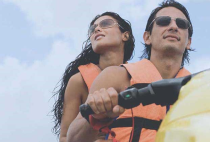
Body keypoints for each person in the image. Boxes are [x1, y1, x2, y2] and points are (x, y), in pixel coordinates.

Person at [67, 0, 193, 142]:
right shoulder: (115, 76)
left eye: (182, 24)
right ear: (147, 37)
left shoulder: (198, 89)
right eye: (163, 21)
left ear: (189, 42)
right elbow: (72, 139)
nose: (173, 27)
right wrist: (95, 117)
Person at [51, 12, 135, 142]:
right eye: (92, 29)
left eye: (106, 24)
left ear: (125, 35)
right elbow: (64, 137)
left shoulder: (138, 76)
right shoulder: (78, 81)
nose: (97, 29)